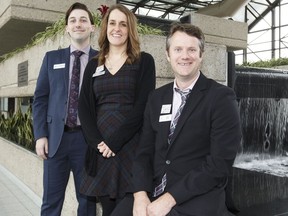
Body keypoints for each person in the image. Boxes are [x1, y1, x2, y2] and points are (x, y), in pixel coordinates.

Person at [111, 23, 242, 216]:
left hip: (196, 194)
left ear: (201, 55)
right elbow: (144, 152)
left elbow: (219, 163)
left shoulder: (221, 97)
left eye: (192, 49)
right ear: (168, 54)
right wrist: (139, 195)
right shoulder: (156, 98)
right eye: (178, 49)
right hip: (153, 190)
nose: (185, 56)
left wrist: (169, 198)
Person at [78, 4, 156, 216]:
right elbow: (83, 105)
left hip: (130, 145)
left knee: (127, 208)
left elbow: (144, 105)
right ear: (105, 27)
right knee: (107, 209)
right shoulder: (95, 64)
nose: (117, 28)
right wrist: (97, 143)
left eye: (123, 24)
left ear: (130, 29)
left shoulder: (144, 61)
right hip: (100, 149)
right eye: (112, 23)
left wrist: (115, 141)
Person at [32, 2, 97, 215]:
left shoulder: (103, 59)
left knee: (87, 203)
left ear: (92, 27)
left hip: (87, 143)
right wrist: (41, 135)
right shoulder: (52, 58)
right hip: (55, 141)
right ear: (67, 28)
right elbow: (40, 99)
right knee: (51, 202)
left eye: (83, 20)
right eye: (73, 21)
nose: (78, 24)